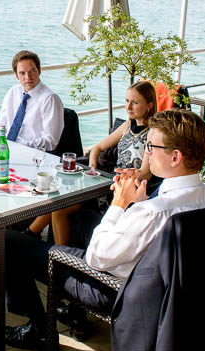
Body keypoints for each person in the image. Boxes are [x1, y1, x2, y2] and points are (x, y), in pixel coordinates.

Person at [3, 109, 205, 350]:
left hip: (114, 288)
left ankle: (40, 329)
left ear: (175, 157)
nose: (147, 153)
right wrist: (137, 201)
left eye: (151, 147)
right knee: (78, 218)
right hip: (166, 285)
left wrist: (119, 204)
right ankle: (70, 308)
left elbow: (97, 257)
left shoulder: (154, 212)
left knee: (8, 241)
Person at [25, 81, 162, 246]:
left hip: (123, 192)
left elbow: (146, 172)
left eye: (135, 102)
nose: (128, 107)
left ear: (149, 105)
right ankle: (34, 238)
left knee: (60, 207)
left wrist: (126, 178)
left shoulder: (153, 132)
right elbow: (97, 148)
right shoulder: (127, 126)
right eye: (127, 101)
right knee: (59, 202)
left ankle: (55, 254)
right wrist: (92, 168)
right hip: (108, 183)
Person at [0, 50, 64, 152]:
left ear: (39, 71)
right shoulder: (13, 92)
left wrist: (17, 144)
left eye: (32, 71)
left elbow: (50, 142)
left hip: (33, 154)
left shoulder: (50, 99)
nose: (28, 77)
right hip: (8, 147)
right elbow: (3, 123)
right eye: (22, 73)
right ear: (16, 75)